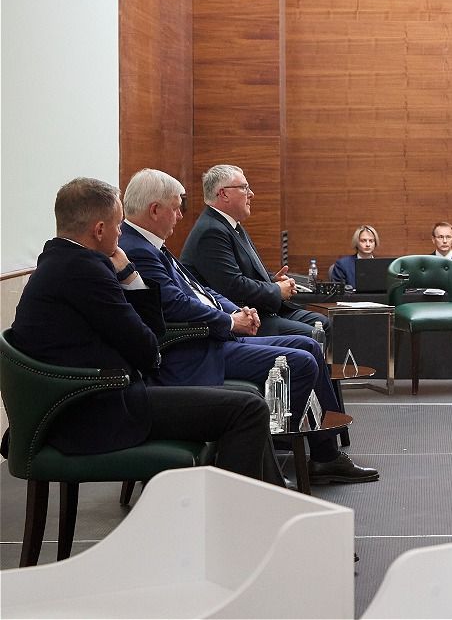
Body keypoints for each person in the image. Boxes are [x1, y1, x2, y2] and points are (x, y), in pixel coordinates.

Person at [6, 178, 281, 484]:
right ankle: (235, 512)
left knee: (247, 399)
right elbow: (149, 349)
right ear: (99, 230)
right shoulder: (86, 271)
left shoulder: (57, 261)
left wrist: (128, 276)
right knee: (248, 409)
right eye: (118, 225)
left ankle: (266, 498)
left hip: (82, 401)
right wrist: (132, 279)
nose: (121, 233)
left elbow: (146, 340)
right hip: (97, 412)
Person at [120, 169, 378, 484]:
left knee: (310, 345)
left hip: (213, 335)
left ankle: (323, 456)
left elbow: (202, 290)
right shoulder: (139, 249)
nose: (180, 215)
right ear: (154, 210)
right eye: (176, 208)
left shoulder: (151, 244)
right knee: (302, 360)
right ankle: (268, 458)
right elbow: (176, 304)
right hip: (194, 349)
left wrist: (236, 311)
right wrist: (231, 320)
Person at [181, 165, 329, 339]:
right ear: (224, 194)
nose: (251, 194)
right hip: (243, 317)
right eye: (244, 187)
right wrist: (276, 290)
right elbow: (233, 287)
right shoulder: (211, 231)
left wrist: (272, 280)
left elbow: (245, 272)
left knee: (323, 323)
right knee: (312, 335)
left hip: (262, 309)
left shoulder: (230, 225)